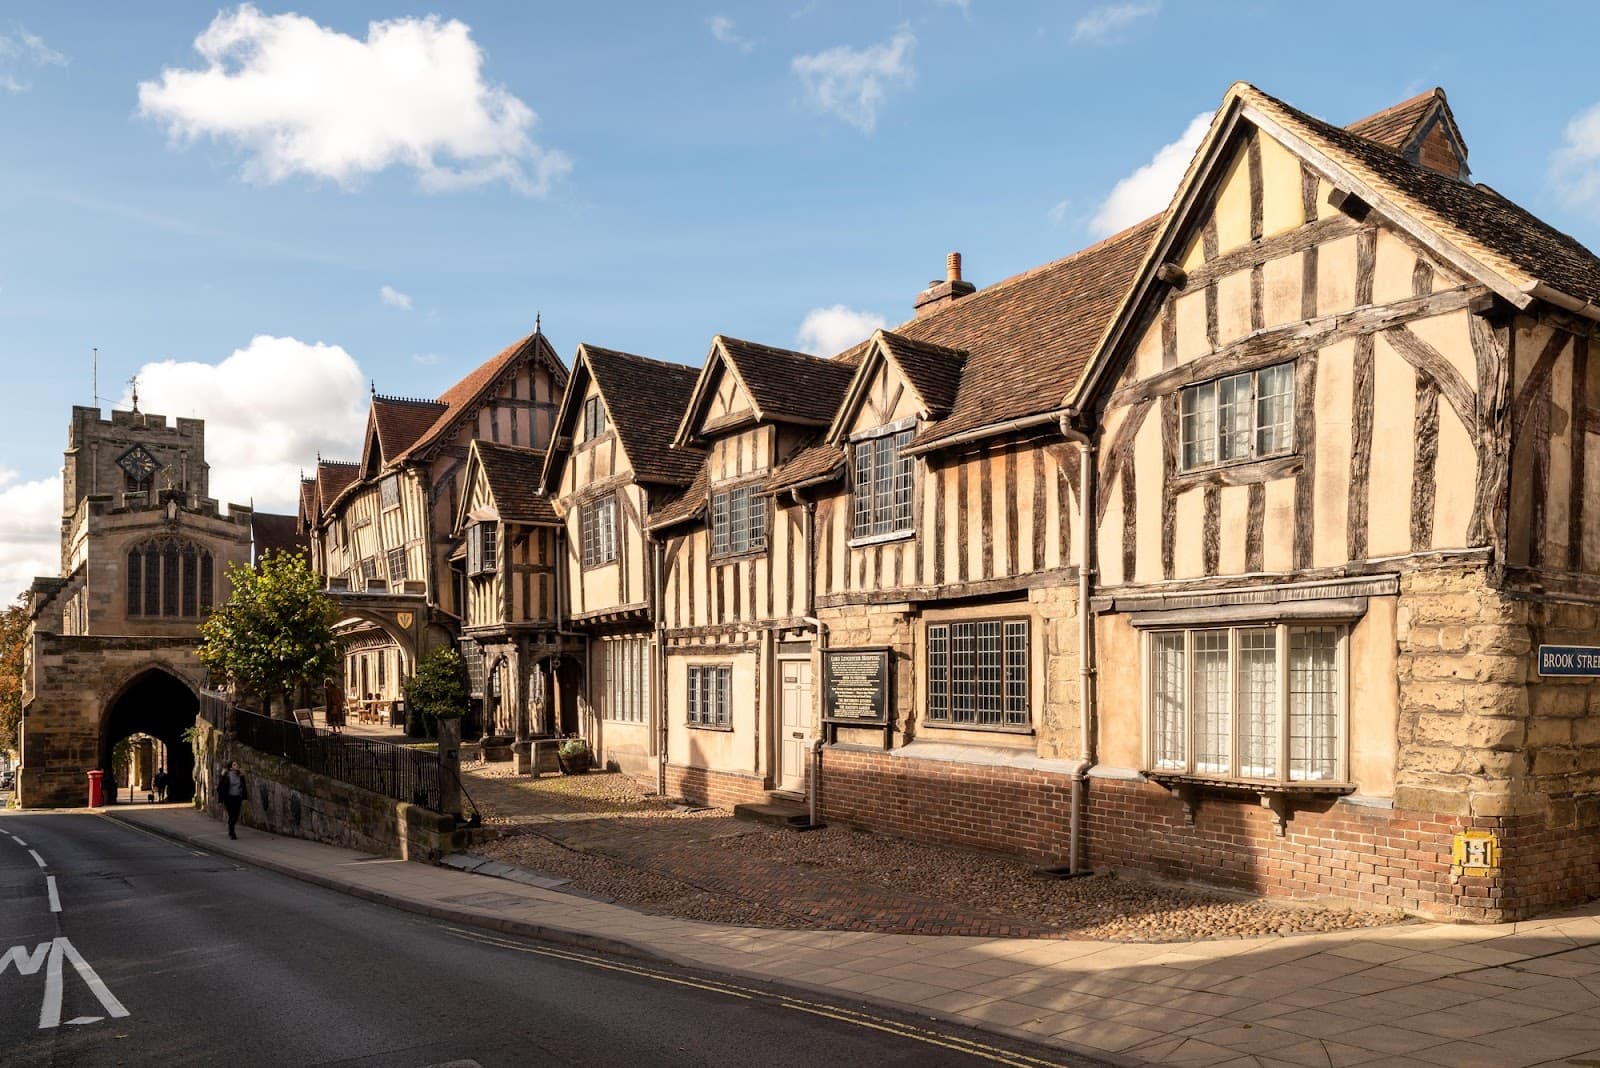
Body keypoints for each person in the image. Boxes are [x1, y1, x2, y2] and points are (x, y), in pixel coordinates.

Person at [219, 760, 247, 839]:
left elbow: (244, 787)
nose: (236, 766)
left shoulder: (240, 775)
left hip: (237, 798)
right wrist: (221, 800)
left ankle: (231, 828)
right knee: (232, 815)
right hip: (229, 798)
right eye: (234, 765)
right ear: (231, 767)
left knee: (236, 815)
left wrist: (244, 798)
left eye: (237, 764)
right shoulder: (227, 775)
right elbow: (221, 787)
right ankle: (232, 832)